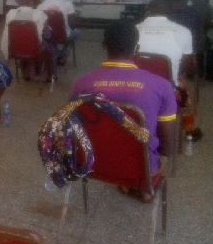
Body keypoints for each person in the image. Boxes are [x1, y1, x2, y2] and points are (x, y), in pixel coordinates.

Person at [70, 20, 176, 201]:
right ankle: (143, 187)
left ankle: (126, 182)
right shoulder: (161, 85)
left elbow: (73, 127)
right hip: (141, 167)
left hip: (92, 163)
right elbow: (166, 139)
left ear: (103, 46)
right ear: (137, 48)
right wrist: (164, 157)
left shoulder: (81, 84)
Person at [136, 0, 200, 139]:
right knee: (181, 84)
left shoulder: (134, 30)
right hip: (168, 91)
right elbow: (189, 67)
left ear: (148, 11)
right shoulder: (183, 31)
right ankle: (190, 129)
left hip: (136, 86)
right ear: (170, 13)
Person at [1, 0, 56, 80]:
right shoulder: (39, 13)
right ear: (29, 0)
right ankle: (49, 76)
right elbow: (47, 34)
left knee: (24, 42)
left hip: (15, 48)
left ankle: (26, 73)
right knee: (50, 48)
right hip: (35, 49)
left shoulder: (10, 14)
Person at [37, 0, 80, 65]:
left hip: (47, 36)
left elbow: (39, 23)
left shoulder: (41, 6)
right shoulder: (68, 3)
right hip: (64, 35)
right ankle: (61, 55)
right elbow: (73, 23)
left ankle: (55, 54)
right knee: (76, 32)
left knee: (51, 39)